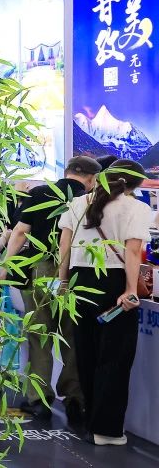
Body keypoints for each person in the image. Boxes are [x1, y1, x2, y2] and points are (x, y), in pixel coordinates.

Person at [57, 159, 154, 446]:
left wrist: (63, 282)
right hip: (113, 283)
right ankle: (107, 431)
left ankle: (91, 422)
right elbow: (133, 252)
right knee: (115, 357)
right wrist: (130, 290)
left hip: (79, 281)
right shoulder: (136, 208)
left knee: (86, 353)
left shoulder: (78, 203)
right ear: (135, 185)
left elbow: (64, 244)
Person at [1, 155, 101, 421]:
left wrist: (6, 265)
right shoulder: (90, 200)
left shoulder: (40, 193)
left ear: (67, 171)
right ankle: (74, 398)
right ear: (91, 179)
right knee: (72, 337)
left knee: (39, 335)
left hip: (41, 269)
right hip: (77, 272)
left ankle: (39, 400)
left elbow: (20, 232)